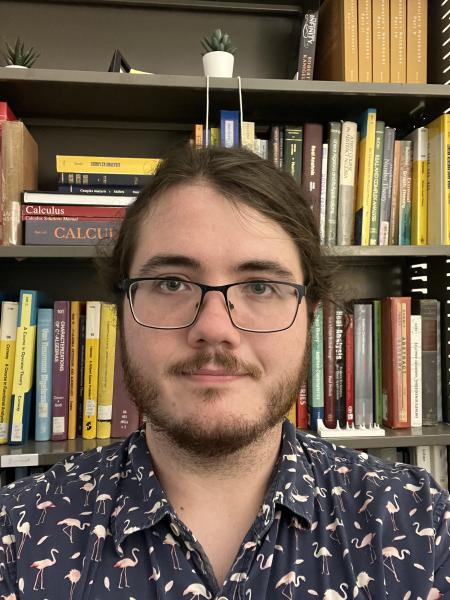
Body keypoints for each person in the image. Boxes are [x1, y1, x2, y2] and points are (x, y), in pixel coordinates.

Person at [0, 146, 448, 600]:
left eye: (261, 286)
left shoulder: (421, 523)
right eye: (171, 283)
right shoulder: (16, 531)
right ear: (122, 312)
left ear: (310, 318)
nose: (214, 328)